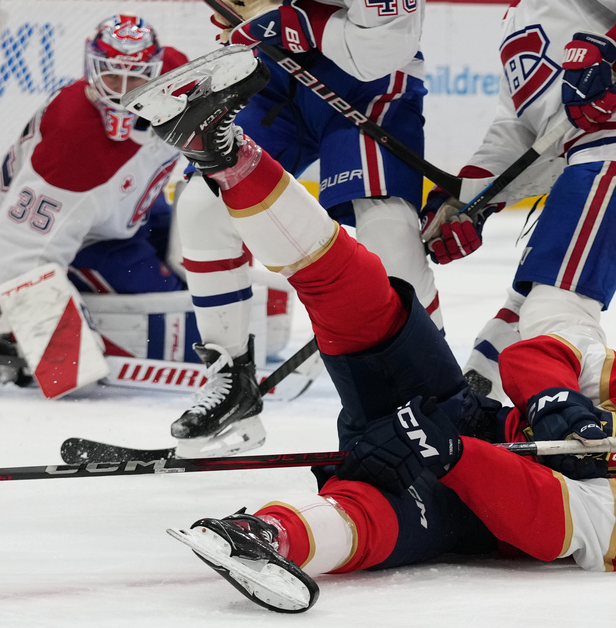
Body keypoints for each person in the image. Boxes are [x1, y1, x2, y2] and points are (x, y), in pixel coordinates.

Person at [125, 46, 616, 613]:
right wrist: (548, 398)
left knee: (371, 517)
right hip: (455, 414)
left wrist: (452, 457)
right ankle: (223, 150)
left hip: (466, 506)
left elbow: (550, 521)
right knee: (369, 293)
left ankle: (259, 532)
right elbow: (545, 349)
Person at [166, 0, 443, 455]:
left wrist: (305, 22)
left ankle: (437, 393)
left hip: (366, 87)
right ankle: (230, 378)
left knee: (387, 230)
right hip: (275, 79)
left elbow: (382, 50)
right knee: (201, 205)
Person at [420, 0, 616, 402]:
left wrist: (614, 59)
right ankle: (478, 422)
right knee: (518, 319)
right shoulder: (516, 20)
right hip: (594, 159)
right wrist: (469, 197)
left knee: (555, 311)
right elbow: (520, 131)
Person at [0, 15, 189, 399]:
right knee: (174, 306)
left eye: (137, 78)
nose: (124, 92)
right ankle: (10, 319)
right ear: (91, 69)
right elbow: (14, 249)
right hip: (78, 235)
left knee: (199, 253)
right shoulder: (74, 148)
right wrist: (61, 349)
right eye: (112, 78)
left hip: (128, 209)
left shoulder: (179, 77)